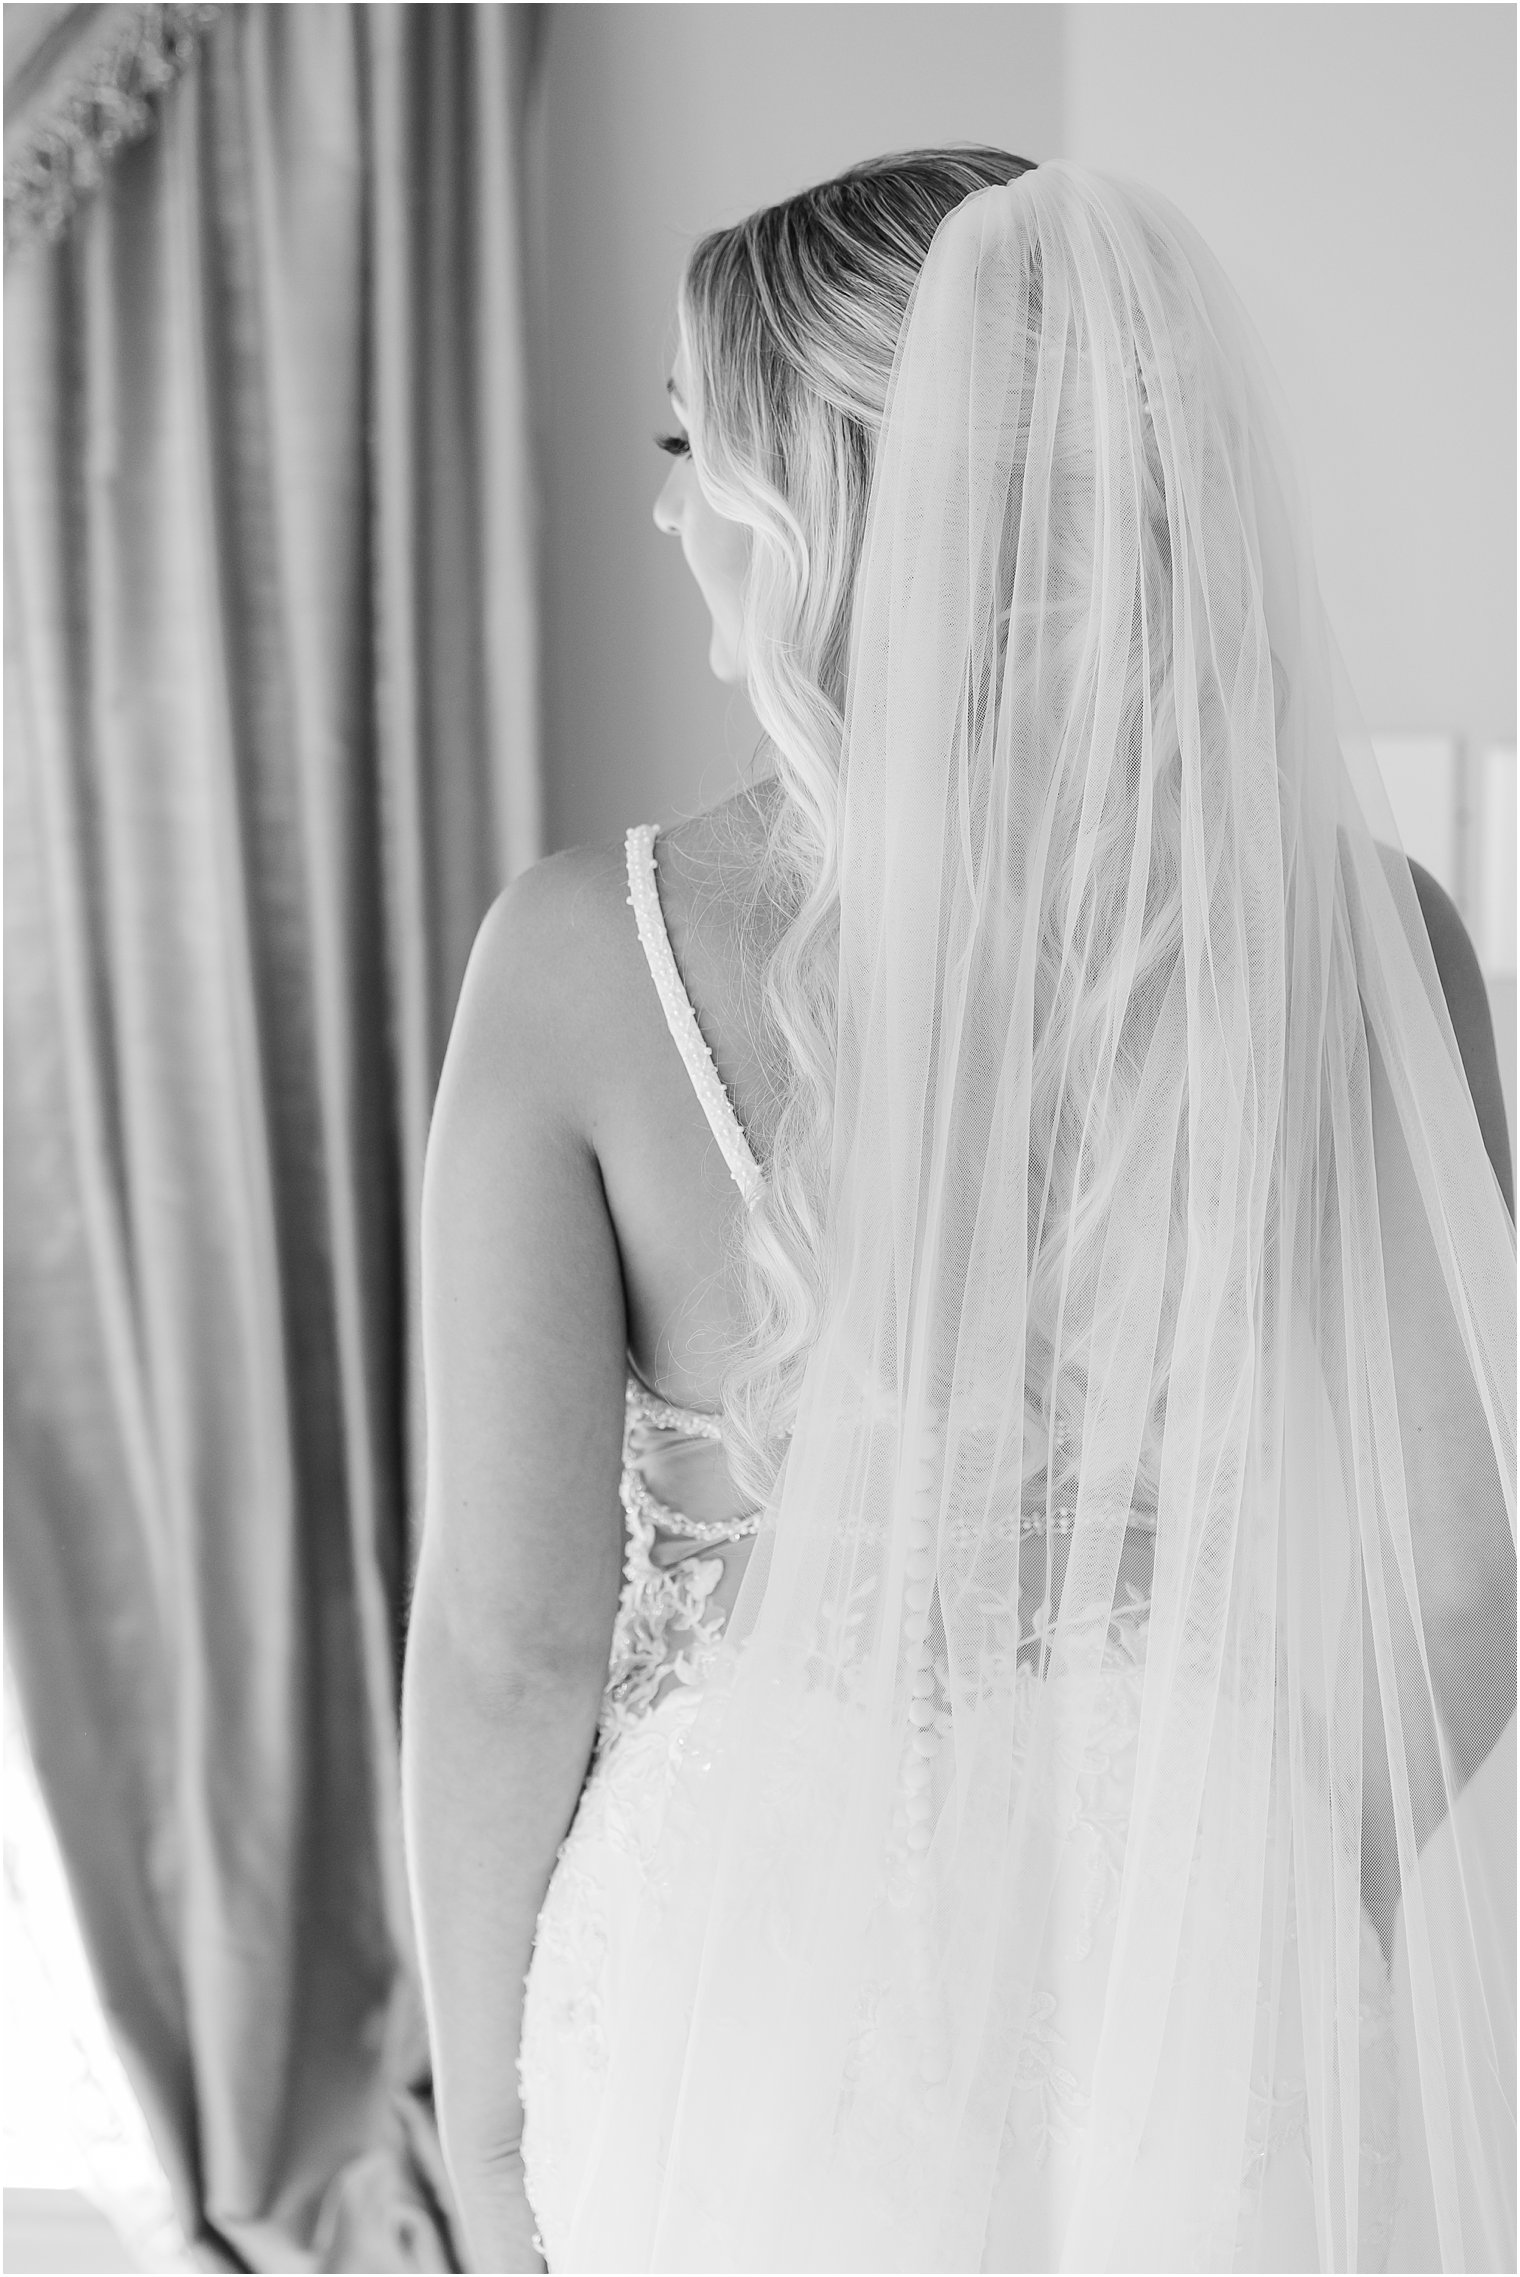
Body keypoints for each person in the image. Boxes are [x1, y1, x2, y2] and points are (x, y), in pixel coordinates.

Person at [401, 152, 1517, 2273]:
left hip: (751, 1977)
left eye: (686, 446)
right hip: (1192, 1947)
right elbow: (1460, 1571)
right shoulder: (1370, 940)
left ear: (823, 498)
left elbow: (507, 1642)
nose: (664, 515)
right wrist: (1274, 1889)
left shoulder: (579, 958)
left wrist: (483, 2143)